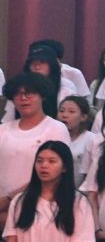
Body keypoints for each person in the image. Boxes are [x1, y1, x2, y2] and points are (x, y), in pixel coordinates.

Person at [6, 142, 93, 242]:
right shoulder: (20, 201)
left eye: (52, 161)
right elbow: (11, 240)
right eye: (39, 161)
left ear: (64, 167)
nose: (44, 166)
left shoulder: (78, 202)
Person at [1, 73, 69, 202]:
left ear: (42, 96)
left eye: (29, 93)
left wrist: (10, 199)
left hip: (36, 203)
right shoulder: (3, 130)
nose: (23, 98)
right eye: (18, 94)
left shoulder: (56, 129)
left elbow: (56, 171)